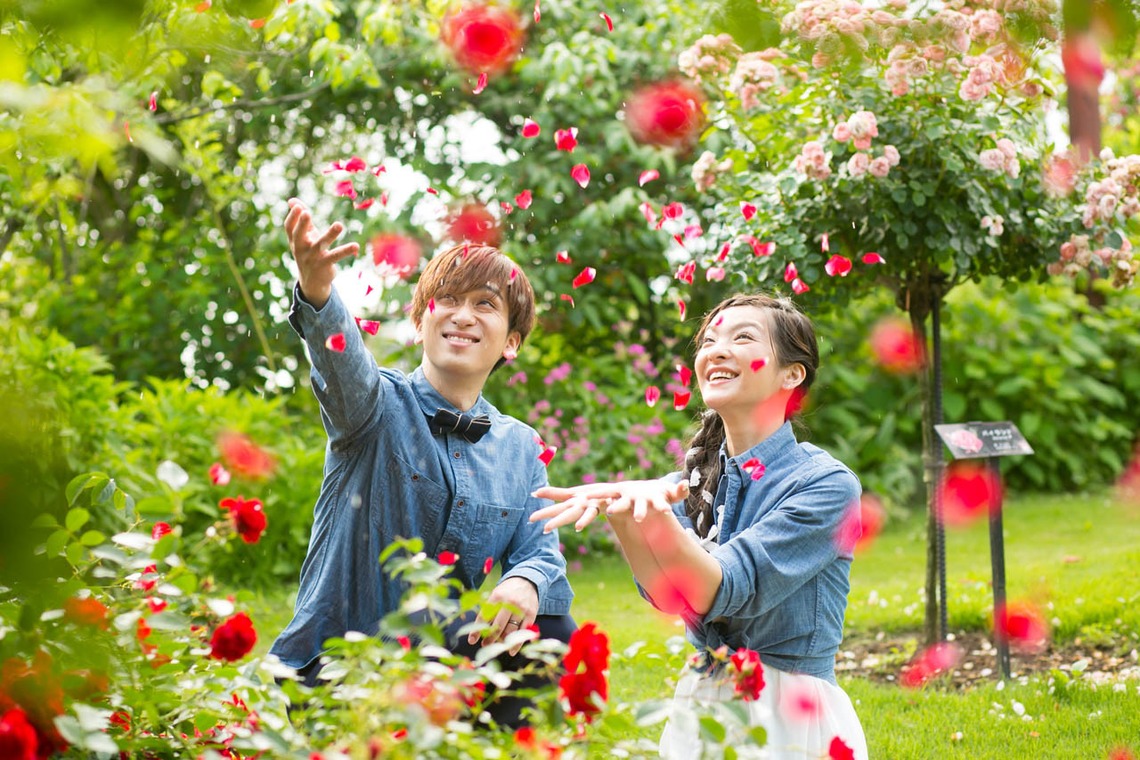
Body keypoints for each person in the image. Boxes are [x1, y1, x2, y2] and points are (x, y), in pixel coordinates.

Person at [271, 198, 575, 725]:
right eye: (447, 299)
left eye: (485, 304)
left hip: (445, 659)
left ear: (512, 343)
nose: (462, 315)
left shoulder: (521, 448)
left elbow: (540, 551)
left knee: (552, 633)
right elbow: (342, 365)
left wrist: (524, 580)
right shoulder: (372, 406)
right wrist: (318, 291)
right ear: (420, 321)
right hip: (344, 663)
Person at [531, 293, 868, 758]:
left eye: (742, 337)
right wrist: (627, 513)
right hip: (702, 702)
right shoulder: (688, 483)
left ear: (792, 375)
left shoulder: (827, 486)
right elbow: (669, 594)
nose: (716, 349)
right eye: (709, 340)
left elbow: (722, 588)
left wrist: (654, 513)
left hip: (789, 713)